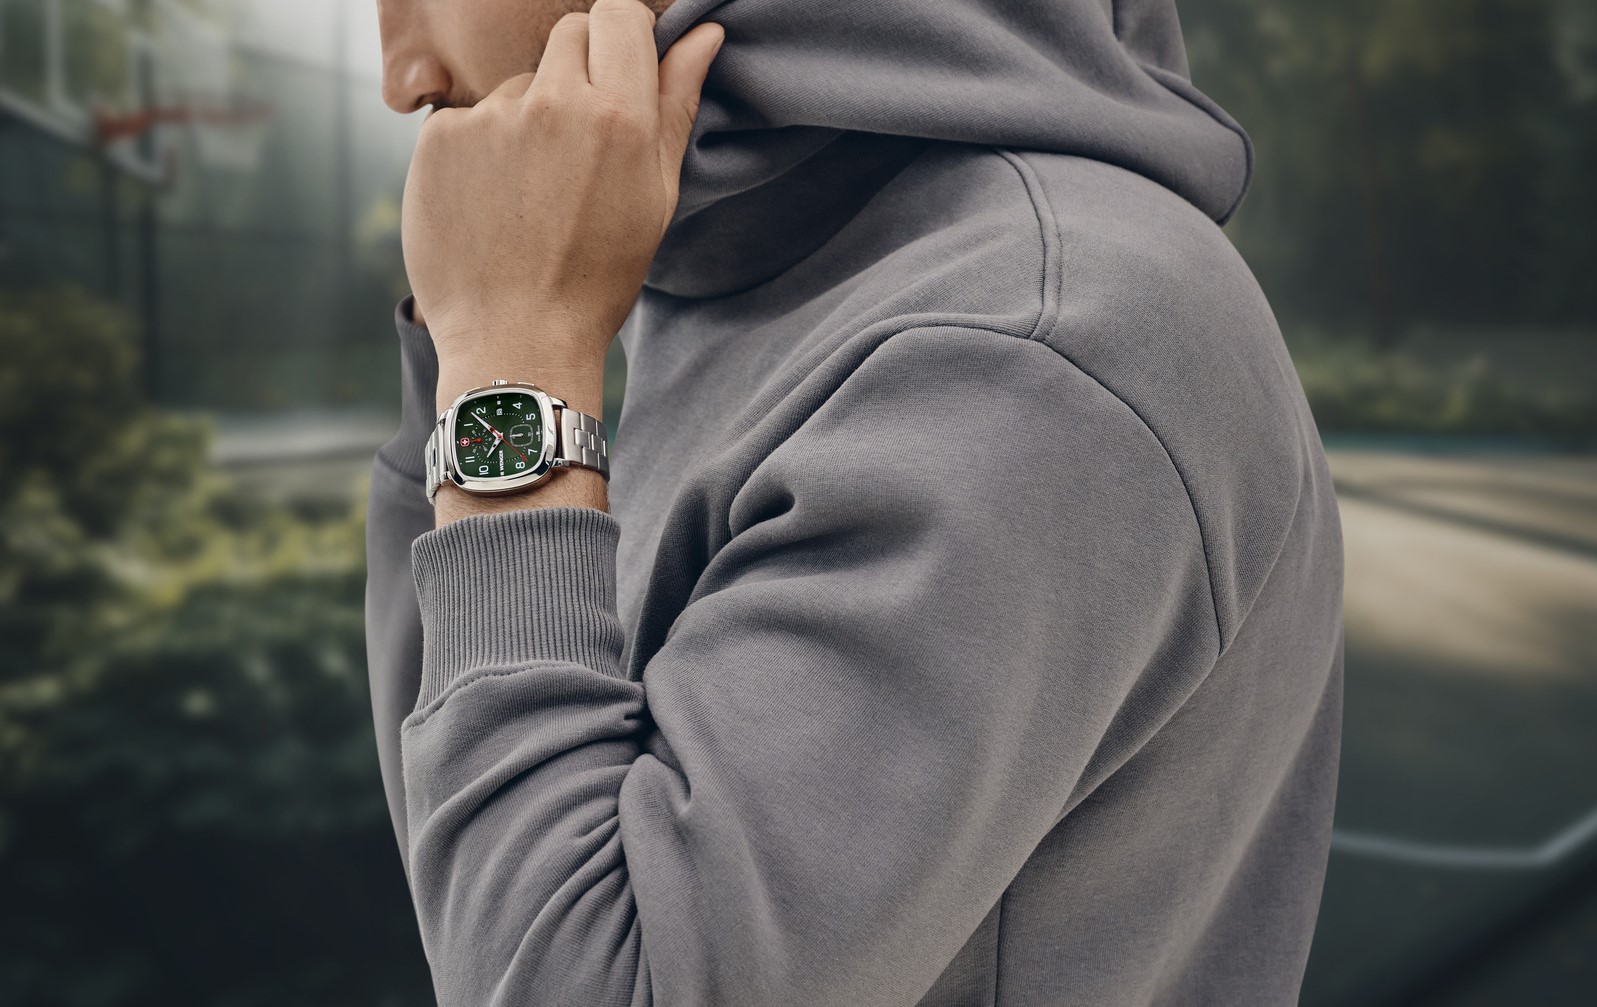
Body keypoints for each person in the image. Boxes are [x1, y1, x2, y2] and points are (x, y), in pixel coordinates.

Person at [363, 0, 1345, 1003]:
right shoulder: (741, 282)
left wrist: (509, 357)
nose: (401, 76)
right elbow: (478, 890)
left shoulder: (1025, 342)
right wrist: (474, 336)